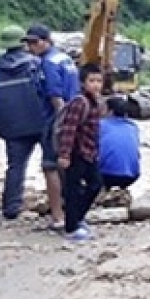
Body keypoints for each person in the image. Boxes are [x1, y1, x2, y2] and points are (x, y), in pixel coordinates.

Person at [0, 26, 45, 220]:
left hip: (12, 127)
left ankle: (11, 208)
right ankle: (61, 203)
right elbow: (46, 91)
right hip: (40, 122)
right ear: (23, 43)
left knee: (15, 166)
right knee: (51, 164)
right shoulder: (36, 63)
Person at [23, 24, 79, 232]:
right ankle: (73, 210)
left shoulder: (47, 63)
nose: (30, 47)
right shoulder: (65, 59)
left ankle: (58, 216)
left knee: (50, 166)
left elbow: (56, 96)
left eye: (34, 42)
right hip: (75, 116)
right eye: (28, 43)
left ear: (46, 41)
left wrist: (61, 125)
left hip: (57, 119)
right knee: (67, 165)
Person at [56, 64, 106, 242]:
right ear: (83, 83)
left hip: (89, 152)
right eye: (91, 81)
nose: (96, 85)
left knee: (95, 184)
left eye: (99, 81)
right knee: (72, 190)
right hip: (76, 153)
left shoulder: (96, 102)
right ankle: (71, 227)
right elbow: (69, 129)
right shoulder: (80, 102)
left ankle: (77, 218)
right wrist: (64, 155)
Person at [99, 96, 141, 189]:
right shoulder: (133, 126)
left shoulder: (101, 125)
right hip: (132, 176)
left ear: (110, 111)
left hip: (106, 174)